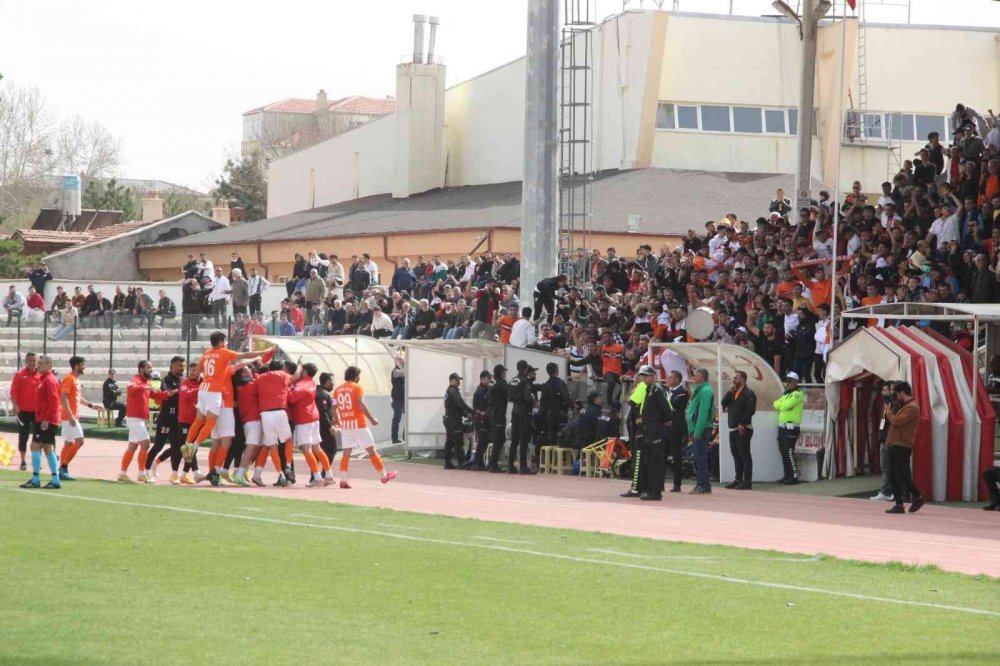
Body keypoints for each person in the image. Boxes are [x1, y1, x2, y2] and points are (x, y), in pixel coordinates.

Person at [184, 331, 274, 452]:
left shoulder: (206, 353)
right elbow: (244, 355)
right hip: (213, 392)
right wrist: (264, 352)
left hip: (203, 389)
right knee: (210, 423)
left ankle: (187, 444)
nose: (225, 344)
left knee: (199, 419)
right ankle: (194, 447)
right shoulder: (224, 353)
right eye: (225, 341)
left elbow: (199, 369)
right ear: (221, 342)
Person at [333, 366, 396, 487]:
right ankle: (383, 476)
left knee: (346, 453)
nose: (359, 378)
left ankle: (343, 479)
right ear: (355, 376)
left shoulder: (338, 390)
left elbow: (334, 408)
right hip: (359, 424)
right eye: (358, 376)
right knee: (372, 451)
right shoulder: (357, 387)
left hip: (346, 426)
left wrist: (337, 421)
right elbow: (361, 405)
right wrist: (372, 419)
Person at [121, 360, 175, 483]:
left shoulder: (147, 382)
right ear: (141, 369)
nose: (151, 369)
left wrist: (167, 394)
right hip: (134, 417)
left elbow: (156, 396)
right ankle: (141, 473)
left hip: (140, 418)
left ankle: (122, 473)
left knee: (132, 447)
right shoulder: (136, 380)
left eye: (151, 367)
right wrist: (147, 386)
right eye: (148, 367)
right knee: (145, 444)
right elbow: (131, 388)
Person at [882, 381, 926, 514]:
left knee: (901, 474)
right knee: (896, 475)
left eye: (896, 393)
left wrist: (888, 410)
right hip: (895, 443)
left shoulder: (912, 407)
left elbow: (896, 421)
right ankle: (901, 503)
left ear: (902, 393)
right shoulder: (903, 405)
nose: (895, 396)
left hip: (903, 445)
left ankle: (916, 497)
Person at [288, 363, 335, 487]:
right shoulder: (312, 383)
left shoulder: (301, 385)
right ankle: (329, 476)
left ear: (304, 372)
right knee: (317, 448)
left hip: (304, 419)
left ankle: (317, 477)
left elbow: (291, 398)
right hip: (314, 417)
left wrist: (288, 385)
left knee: (307, 449)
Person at [19, 356, 61, 489]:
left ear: (49, 365)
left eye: (41, 364)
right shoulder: (45, 379)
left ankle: (37, 478)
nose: (38, 366)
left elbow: (54, 402)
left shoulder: (49, 380)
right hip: (44, 418)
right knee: (48, 447)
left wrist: (46, 419)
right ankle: (55, 479)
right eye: (38, 363)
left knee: (35, 446)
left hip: (46, 419)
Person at [56, 355, 101, 481]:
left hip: (71, 416)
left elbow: (76, 397)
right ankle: (63, 467)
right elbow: (63, 397)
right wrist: (70, 415)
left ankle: (61, 470)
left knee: (69, 442)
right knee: (80, 441)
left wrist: (91, 405)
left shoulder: (75, 379)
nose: (84, 367)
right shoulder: (69, 378)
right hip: (69, 416)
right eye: (83, 365)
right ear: (76, 366)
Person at [144, 356, 185, 483]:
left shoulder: (184, 381)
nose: (182, 368)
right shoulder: (165, 381)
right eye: (179, 366)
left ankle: (174, 474)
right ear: (172, 366)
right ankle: (145, 470)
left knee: (177, 447)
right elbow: (165, 394)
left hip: (178, 420)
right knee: (158, 445)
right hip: (166, 418)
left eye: (183, 366)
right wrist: (179, 391)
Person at [634, 365, 671, 501]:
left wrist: (664, 424)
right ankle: (651, 489)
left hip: (656, 430)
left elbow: (666, 409)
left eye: (646, 375)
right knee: (650, 461)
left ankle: (655, 492)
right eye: (642, 376)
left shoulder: (657, 390)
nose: (644, 378)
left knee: (656, 462)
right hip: (649, 430)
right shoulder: (649, 390)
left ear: (653, 377)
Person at [720, 371, 756, 490]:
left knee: (744, 455)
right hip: (733, 428)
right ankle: (738, 479)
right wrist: (729, 391)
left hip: (743, 429)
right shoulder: (733, 392)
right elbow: (723, 403)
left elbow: (750, 410)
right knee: (736, 455)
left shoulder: (749, 393)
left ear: (743, 379)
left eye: (736, 378)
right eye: (733, 377)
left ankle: (747, 481)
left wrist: (742, 423)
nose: (734, 379)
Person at [10, 352, 41, 471]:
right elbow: (13, 392)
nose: (32, 363)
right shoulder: (19, 374)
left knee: (38, 437)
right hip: (23, 411)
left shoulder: (41, 375)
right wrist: (15, 405)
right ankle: (23, 460)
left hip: (38, 411)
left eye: (34, 360)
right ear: (26, 361)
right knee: (23, 436)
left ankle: (36, 460)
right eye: (30, 361)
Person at [772, 371, 804, 485]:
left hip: (791, 427)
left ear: (796, 382)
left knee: (789, 451)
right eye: (787, 381)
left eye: (790, 381)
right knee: (783, 452)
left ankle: (794, 476)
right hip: (782, 427)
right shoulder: (786, 394)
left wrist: (782, 406)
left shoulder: (798, 394)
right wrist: (783, 406)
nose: (787, 383)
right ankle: (787, 475)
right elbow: (775, 404)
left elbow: (785, 405)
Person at [686, 367, 714, 494]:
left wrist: (697, 431)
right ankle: (703, 484)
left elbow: (703, 412)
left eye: (695, 375)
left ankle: (702, 485)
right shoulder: (700, 390)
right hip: (697, 428)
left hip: (701, 429)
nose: (693, 377)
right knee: (698, 457)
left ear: (702, 377)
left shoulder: (706, 391)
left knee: (700, 458)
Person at [507, 360, 537, 474]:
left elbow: (509, 397)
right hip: (524, 412)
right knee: (524, 439)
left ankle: (510, 465)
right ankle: (523, 466)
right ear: (525, 369)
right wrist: (533, 401)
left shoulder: (512, 380)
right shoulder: (525, 381)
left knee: (514, 439)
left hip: (514, 410)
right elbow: (527, 397)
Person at [443, 372, 474, 469]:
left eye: (459, 380)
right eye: (456, 380)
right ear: (451, 380)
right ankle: (462, 462)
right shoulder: (452, 391)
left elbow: (458, 407)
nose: (458, 382)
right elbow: (460, 404)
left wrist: (466, 414)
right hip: (453, 419)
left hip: (450, 418)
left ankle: (447, 462)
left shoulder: (450, 391)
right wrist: (472, 412)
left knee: (450, 441)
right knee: (458, 441)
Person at [538, 362, 571, 451]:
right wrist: (565, 410)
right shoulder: (560, 383)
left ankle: (552, 460)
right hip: (560, 415)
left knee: (551, 439)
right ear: (556, 370)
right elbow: (567, 399)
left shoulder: (546, 385)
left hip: (550, 415)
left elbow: (542, 403)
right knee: (562, 437)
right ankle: (561, 459)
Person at [664, 370, 689, 493]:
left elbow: (673, 406)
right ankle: (660, 483)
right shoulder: (668, 392)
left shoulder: (682, 393)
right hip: (665, 428)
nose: (668, 379)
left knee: (676, 456)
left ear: (678, 380)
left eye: (670, 377)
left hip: (676, 428)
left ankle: (677, 484)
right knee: (661, 454)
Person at [487, 364, 509, 473]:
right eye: (503, 372)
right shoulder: (501, 383)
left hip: (492, 413)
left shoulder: (492, 381)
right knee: (499, 439)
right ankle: (493, 463)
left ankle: (492, 462)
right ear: (501, 372)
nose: (504, 373)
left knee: (498, 438)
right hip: (499, 413)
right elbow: (509, 392)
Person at [471, 370, 492, 470]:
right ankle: (478, 463)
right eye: (488, 378)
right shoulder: (480, 391)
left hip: (485, 418)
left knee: (484, 442)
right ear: (482, 378)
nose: (490, 380)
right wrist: (481, 413)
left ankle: (478, 462)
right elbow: (476, 406)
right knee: (482, 441)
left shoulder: (487, 389)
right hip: (480, 419)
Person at [316, 372, 338, 465]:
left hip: (317, 426)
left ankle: (316, 475)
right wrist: (330, 426)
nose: (334, 384)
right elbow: (323, 412)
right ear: (328, 381)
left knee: (317, 450)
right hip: (323, 427)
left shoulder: (318, 391)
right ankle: (325, 473)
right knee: (332, 449)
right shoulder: (323, 394)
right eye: (333, 381)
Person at [390, 357, 405, 443]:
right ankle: (394, 438)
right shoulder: (395, 371)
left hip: (403, 397)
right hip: (397, 398)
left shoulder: (401, 370)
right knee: (397, 418)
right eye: (402, 361)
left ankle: (405, 437)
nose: (403, 363)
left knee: (407, 417)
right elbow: (403, 373)